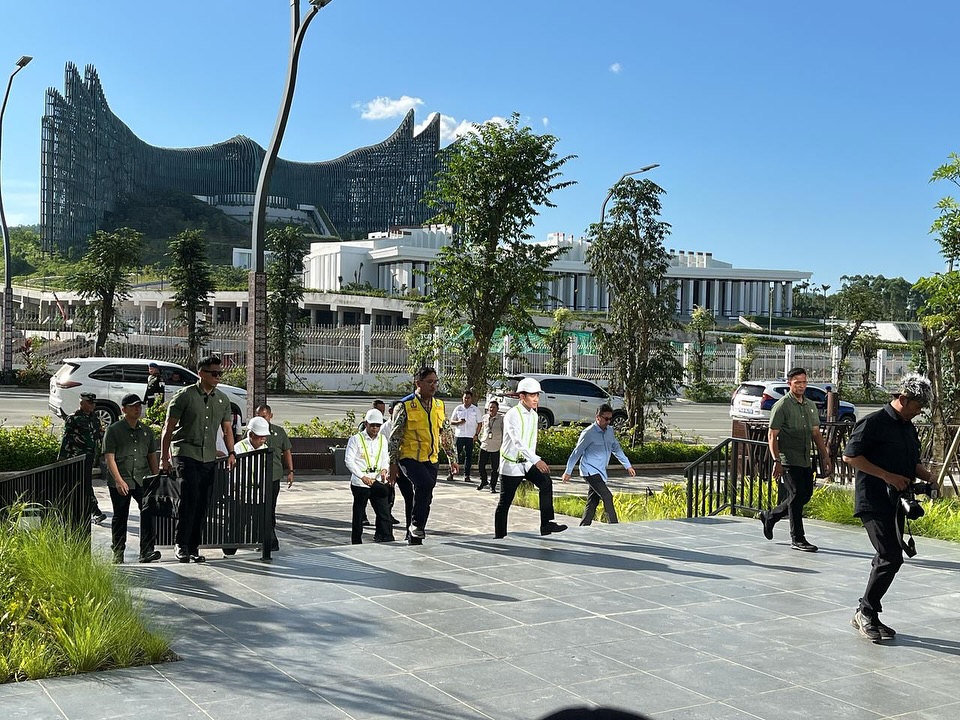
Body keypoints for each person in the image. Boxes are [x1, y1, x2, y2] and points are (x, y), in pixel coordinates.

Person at [843, 374, 935, 642]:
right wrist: (886, 476)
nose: (918, 413)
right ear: (902, 399)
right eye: (917, 406)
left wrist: (927, 476)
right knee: (890, 556)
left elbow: (911, 462)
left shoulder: (908, 427)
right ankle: (866, 612)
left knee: (887, 556)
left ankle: (867, 611)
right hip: (872, 500)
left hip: (896, 501)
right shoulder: (873, 423)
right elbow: (850, 456)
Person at [160, 355, 236, 563]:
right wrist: (164, 458)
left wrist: (231, 453)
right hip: (185, 452)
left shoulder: (222, 399)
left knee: (203, 502)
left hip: (208, 457)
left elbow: (227, 429)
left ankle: (193, 546)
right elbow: (168, 428)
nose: (218, 377)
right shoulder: (184, 396)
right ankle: (181, 544)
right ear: (201, 373)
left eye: (220, 373)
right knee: (189, 497)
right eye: (214, 373)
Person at [759, 367, 832, 552]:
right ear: (789, 383)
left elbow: (816, 433)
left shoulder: (809, 405)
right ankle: (797, 538)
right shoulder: (782, 405)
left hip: (804, 457)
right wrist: (777, 461)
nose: (801, 386)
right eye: (797, 382)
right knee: (797, 495)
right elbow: (771, 435)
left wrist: (825, 456)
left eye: (804, 382)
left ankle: (771, 516)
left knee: (804, 495)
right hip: (788, 458)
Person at [388, 366, 458, 544]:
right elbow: (395, 436)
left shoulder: (439, 406)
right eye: (429, 382)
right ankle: (416, 524)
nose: (433, 386)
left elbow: (446, 434)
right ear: (418, 383)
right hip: (409, 457)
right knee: (424, 485)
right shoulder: (404, 406)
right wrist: (392, 463)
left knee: (427, 496)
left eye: (435, 382)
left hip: (431, 458)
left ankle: (415, 535)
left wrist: (452, 459)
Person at [495, 377, 567, 539]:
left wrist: (533, 461)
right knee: (504, 503)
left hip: (526, 464)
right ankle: (500, 537)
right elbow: (518, 441)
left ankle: (546, 524)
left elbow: (531, 441)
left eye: (537, 395)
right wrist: (536, 460)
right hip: (511, 465)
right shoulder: (512, 415)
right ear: (522, 396)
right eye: (532, 395)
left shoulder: (534, 415)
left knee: (546, 482)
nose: (536, 399)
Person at [102, 394, 160, 564]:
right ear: (124, 409)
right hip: (122, 479)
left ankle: (147, 551)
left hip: (142, 479)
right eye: (133, 406)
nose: (137, 409)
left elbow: (151, 456)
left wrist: (155, 478)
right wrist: (119, 481)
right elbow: (109, 457)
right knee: (120, 517)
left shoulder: (146, 430)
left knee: (149, 513)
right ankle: (118, 552)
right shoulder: (114, 430)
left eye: (139, 406)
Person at [561, 403, 636, 525]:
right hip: (589, 471)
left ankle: (584, 526)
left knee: (593, 501)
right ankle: (614, 525)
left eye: (610, 419)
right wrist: (568, 471)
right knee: (607, 496)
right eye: (606, 419)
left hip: (601, 472)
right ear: (598, 417)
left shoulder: (610, 431)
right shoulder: (588, 433)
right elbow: (577, 452)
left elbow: (616, 449)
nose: (608, 422)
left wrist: (627, 465)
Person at [58, 391, 107, 524]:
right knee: (82, 484)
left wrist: (103, 454)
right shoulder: (73, 418)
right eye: (89, 403)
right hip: (76, 457)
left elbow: (99, 436)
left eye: (93, 403)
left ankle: (89, 510)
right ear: (82, 403)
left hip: (89, 457)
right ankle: (95, 511)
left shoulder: (95, 418)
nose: (92, 406)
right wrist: (62, 457)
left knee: (84, 484)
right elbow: (66, 438)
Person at [346, 408, 393, 543]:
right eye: (372, 425)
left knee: (384, 512)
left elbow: (385, 457)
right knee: (359, 513)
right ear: (366, 424)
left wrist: (384, 469)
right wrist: (362, 476)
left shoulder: (382, 439)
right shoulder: (355, 439)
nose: (375, 429)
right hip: (360, 483)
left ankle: (386, 537)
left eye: (378, 426)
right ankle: (356, 541)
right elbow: (349, 460)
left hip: (377, 481)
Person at [256, 404, 294, 552]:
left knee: (270, 509)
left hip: (273, 476)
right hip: (257, 477)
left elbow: (287, 451)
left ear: (270, 416)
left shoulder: (278, 432)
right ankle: (263, 538)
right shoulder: (252, 432)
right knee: (259, 509)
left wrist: (290, 470)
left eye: (264, 416)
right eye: (259, 416)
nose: (261, 419)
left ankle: (270, 539)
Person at [449, 390, 481, 482]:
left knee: (469, 456)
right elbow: (451, 421)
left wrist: (476, 435)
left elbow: (479, 423)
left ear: (471, 399)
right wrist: (458, 422)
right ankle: (451, 473)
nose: (466, 399)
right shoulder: (458, 408)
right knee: (455, 455)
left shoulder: (475, 409)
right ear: (462, 399)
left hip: (470, 436)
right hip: (459, 435)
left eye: (468, 398)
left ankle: (466, 475)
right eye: (465, 398)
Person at [475, 399, 503, 492]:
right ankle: (483, 481)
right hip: (485, 445)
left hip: (496, 446)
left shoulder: (501, 419)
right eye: (490, 407)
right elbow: (481, 429)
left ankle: (493, 486)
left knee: (495, 468)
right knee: (480, 465)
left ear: (497, 409)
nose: (491, 409)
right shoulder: (484, 417)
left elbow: (504, 432)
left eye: (494, 407)